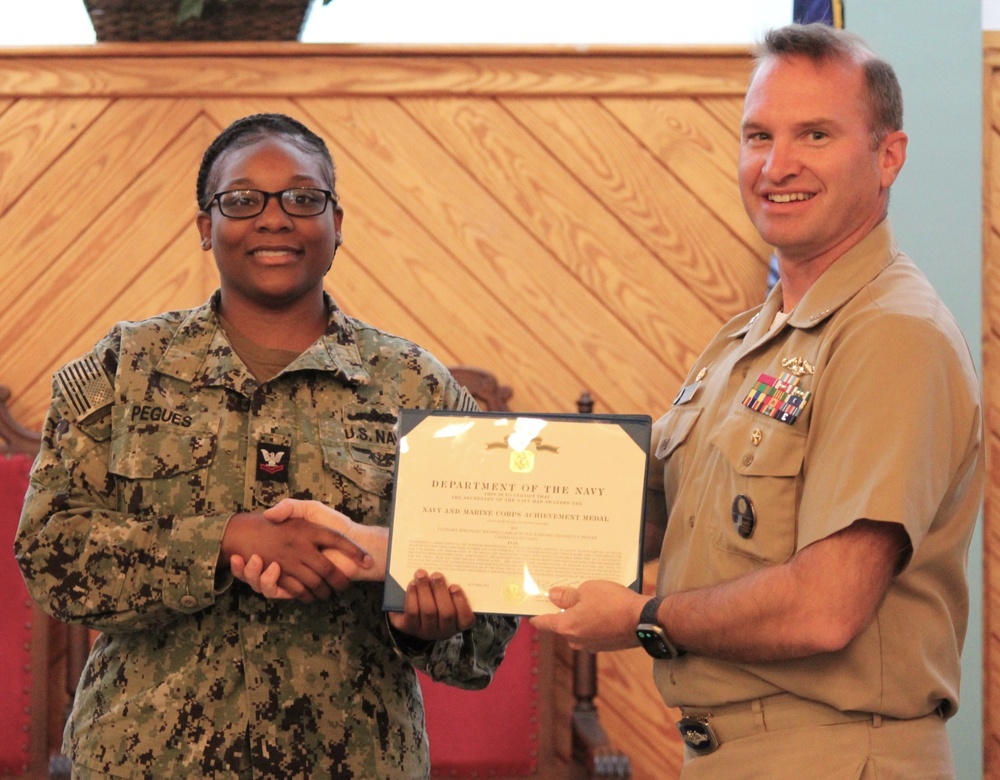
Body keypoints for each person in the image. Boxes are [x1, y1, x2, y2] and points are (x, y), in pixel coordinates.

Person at [531, 23, 983, 779]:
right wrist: (389, 542)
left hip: (837, 755)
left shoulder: (891, 334)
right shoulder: (748, 340)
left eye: (814, 134)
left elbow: (825, 607)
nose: (777, 165)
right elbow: (619, 513)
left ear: (888, 156)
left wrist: (644, 620)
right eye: (757, 135)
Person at [15, 112, 517, 779]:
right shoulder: (123, 369)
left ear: (338, 223)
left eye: (303, 199)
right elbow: (50, 553)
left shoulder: (416, 387)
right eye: (243, 200)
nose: (275, 218)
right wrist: (224, 539)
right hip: (146, 762)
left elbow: (491, 612)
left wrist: (426, 624)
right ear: (206, 226)